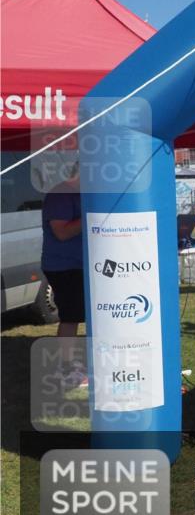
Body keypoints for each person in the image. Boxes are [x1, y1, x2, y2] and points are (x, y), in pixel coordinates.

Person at [41, 164, 87, 387]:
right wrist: (90, 214)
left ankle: (72, 363)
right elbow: (62, 232)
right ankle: (65, 368)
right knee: (70, 316)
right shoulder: (60, 195)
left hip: (81, 264)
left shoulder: (80, 194)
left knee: (78, 314)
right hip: (64, 266)